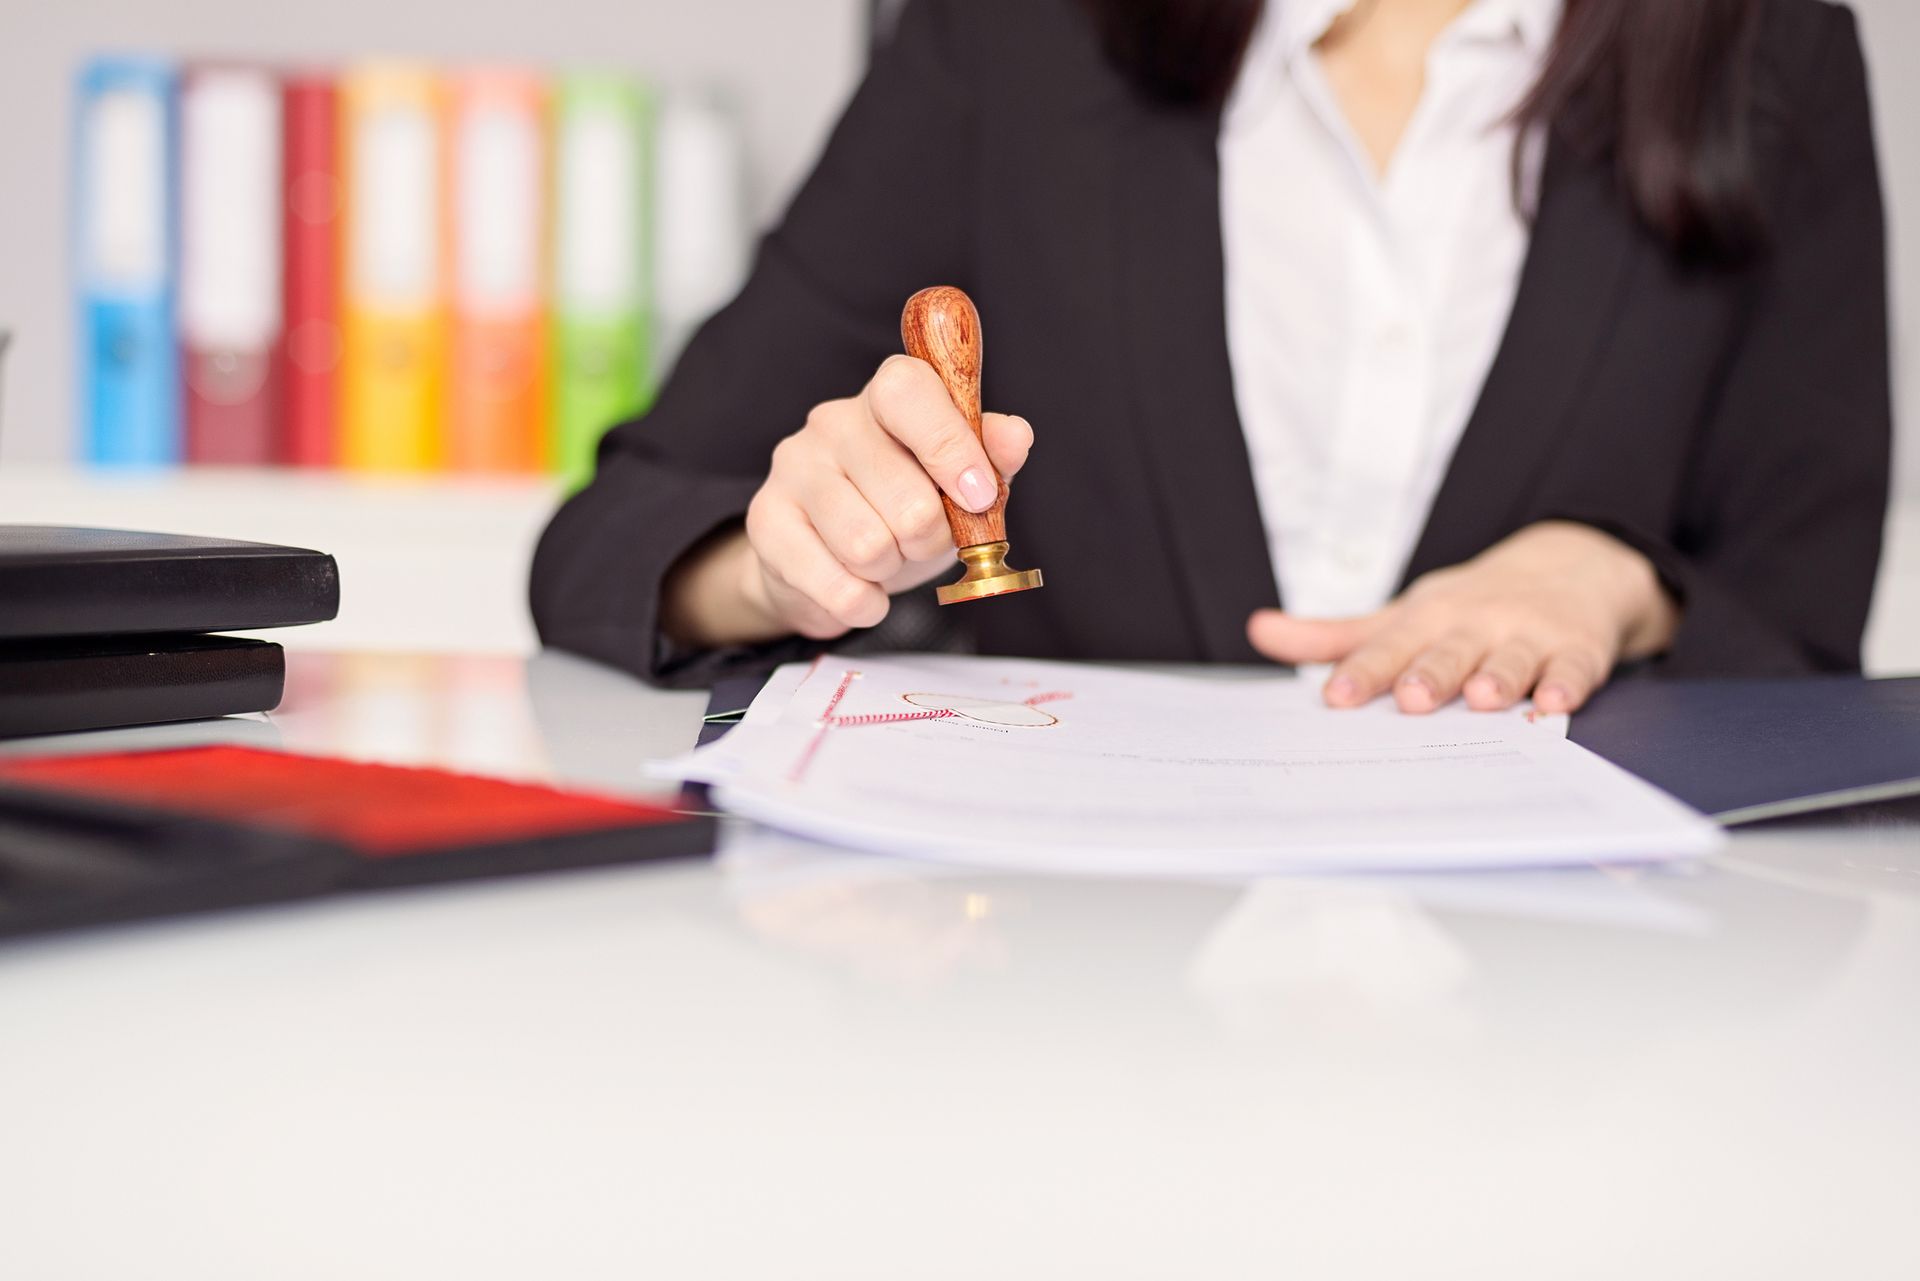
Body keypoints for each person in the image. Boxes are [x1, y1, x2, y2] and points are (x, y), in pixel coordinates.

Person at [530, 0, 1891, 714]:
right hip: (1074, 1010)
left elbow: (1805, 653)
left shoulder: (1782, 61)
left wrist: (1618, 583)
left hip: (1571, 1034)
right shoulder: (1012, 38)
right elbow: (598, 547)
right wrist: (775, 566)